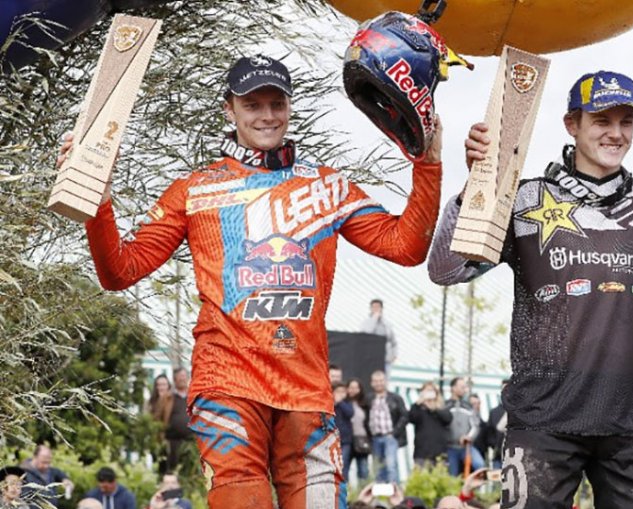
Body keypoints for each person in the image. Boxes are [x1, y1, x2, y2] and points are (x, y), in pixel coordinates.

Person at [62, 54, 443, 507]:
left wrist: (428, 164)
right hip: (227, 385)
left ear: (289, 107)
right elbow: (120, 271)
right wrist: (100, 202)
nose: (266, 115)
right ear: (230, 109)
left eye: (276, 103)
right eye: (252, 105)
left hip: (306, 392)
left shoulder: (327, 187)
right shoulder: (194, 189)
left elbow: (405, 247)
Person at [429, 69, 633, 507]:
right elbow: (446, 269)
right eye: (602, 120)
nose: (616, 133)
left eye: (626, 122)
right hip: (542, 421)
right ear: (572, 124)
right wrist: (474, 188)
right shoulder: (525, 198)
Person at [367, 370, 409, 483]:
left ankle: (394, 490)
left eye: (381, 380)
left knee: (391, 465)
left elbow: (405, 416)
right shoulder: (369, 399)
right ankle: (380, 490)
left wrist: (394, 433)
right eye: (376, 381)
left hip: (390, 436)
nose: (378, 383)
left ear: (385, 382)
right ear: (372, 383)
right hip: (375, 437)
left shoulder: (395, 398)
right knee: (377, 467)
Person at [444, 377, 483, 476]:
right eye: (462, 387)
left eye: (465, 387)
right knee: (452, 476)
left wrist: (468, 437)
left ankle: (474, 485)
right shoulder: (444, 406)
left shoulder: (468, 406)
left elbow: (475, 425)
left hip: (466, 447)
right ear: (453, 388)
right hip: (449, 447)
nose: (465, 390)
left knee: (479, 465)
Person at [407, 381, 452, 467]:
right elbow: (411, 418)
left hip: (440, 453)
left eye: (431, 391)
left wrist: (435, 409)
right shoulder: (418, 408)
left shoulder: (442, 407)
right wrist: (418, 404)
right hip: (422, 453)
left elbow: (448, 419)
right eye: (427, 391)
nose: (429, 394)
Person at [164, 368, 192, 474]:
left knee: (189, 472)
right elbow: (160, 417)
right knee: (172, 471)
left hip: (191, 443)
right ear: (174, 379)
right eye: (180, 377)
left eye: (184, 376)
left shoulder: (193, 397)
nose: (182, 379)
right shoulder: (168, 397)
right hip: (173, 442)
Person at [476, 379, 508, 468]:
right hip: (498, 455)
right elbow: (490, 432)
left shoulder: (520, 411)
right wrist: (494, 444)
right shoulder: (494, 412)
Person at [345, 378, 372, 483]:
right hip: (347, 440)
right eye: (351, 387)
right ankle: (346, 491)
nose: (353, 390)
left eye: (356, 388)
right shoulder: (343, 403)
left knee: (363, 470)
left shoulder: (364, 404)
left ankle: (363, 490)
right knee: (344, 468)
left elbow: (368, 422)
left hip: (361, 439)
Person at [359, 298, 398, 369]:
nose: (376, 309)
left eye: (378, 307)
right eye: (373, 307)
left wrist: (394, 355)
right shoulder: (365, 323)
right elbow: (366, 335)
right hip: (370, 358)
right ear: (370, 309)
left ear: (382, 309)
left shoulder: (387, 324)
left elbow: (393, 342)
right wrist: (374, 318)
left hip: (385, 359)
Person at [333, 382, 356, 481]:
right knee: (333, 464)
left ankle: (344, 485)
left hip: (345, 439)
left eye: (343, 391)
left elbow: (350, 413)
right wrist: (335, 402)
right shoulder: (330, 403)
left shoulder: (347, 403)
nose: (341, 394)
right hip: (332, 439)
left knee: (344, 463)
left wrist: (340, 402)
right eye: (338, 391)